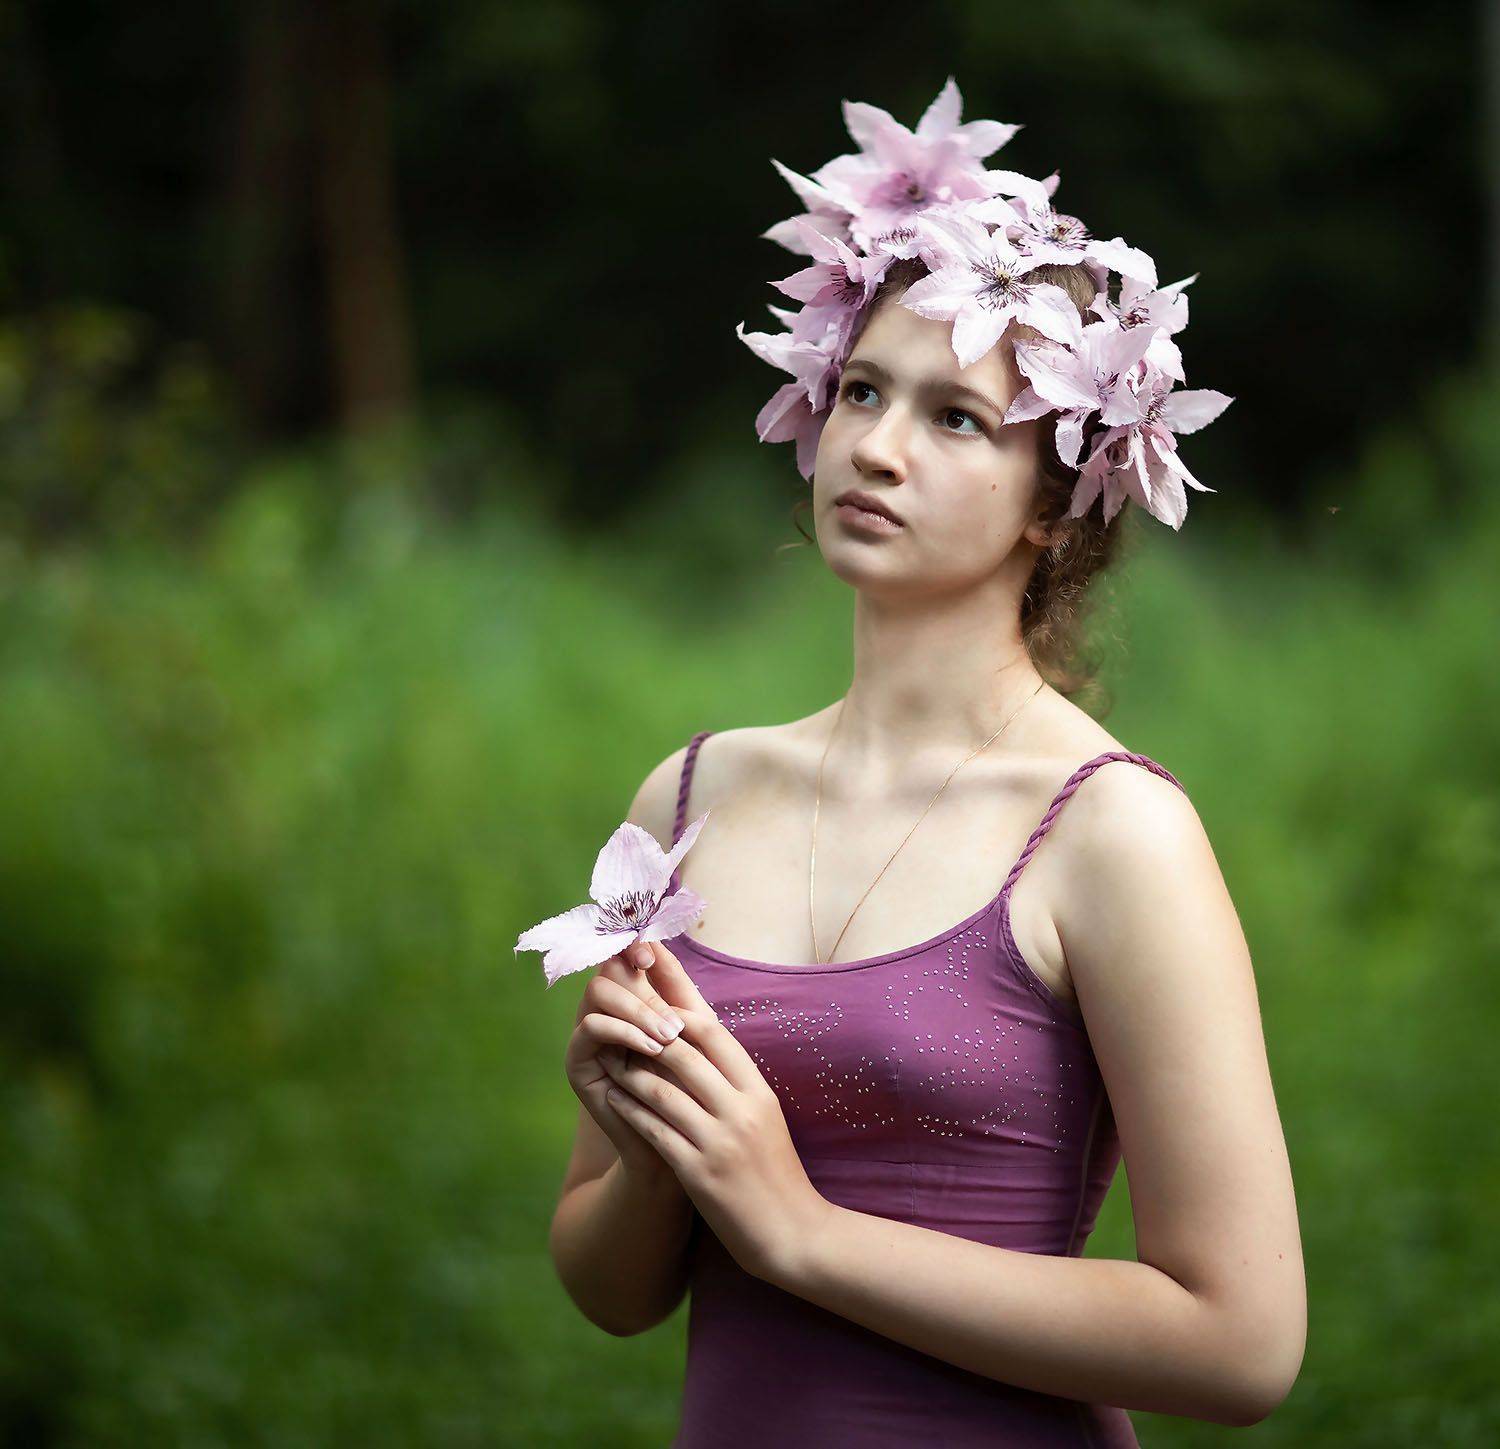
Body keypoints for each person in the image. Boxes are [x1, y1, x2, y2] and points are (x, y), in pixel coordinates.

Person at [548, 80, 1305, 1447]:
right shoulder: (694, 795)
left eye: (957, 417)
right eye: (862, 391)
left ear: (1057, 507)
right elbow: (609, 1291)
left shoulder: (1110, 831)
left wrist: (803, 1232)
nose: (877, 448)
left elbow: (1242, 1342)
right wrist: (659, 1158)